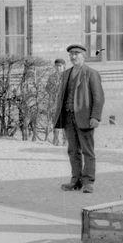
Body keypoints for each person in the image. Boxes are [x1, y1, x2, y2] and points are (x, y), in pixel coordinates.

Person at [54, 44, 105, 193]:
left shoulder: (91, 73)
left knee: (87, 151)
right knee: (72, 150)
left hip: (85, 117)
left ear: (83, 56)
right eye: (71, 54)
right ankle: (75, 180)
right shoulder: (66, 74)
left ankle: (88, 181)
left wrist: (95, 117)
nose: (73, 57)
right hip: (68, 117)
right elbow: (61, 97)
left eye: (76, 54)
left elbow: (99, 98)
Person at [48, 58, 66, 146]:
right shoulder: (52, 77)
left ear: (64, 66)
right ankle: (55, 141)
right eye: (56, 66)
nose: (58, 68)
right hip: (55, 103)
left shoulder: (68, 76)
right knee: (55, 122)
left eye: (60, 66)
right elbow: (47, 89)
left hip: (65, 103)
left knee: (66, 123)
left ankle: (65, 142)